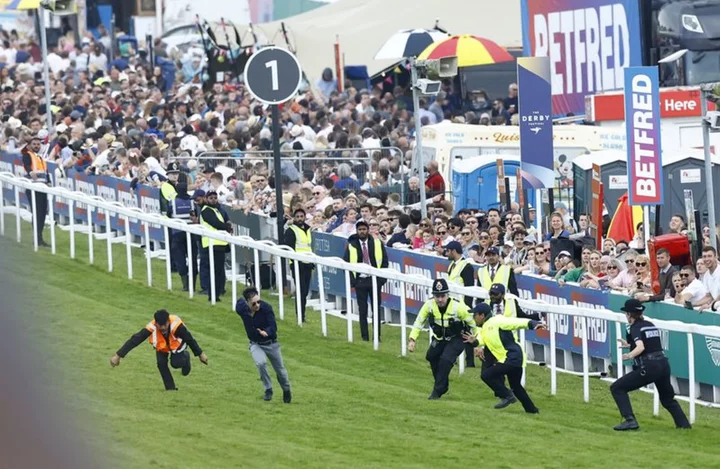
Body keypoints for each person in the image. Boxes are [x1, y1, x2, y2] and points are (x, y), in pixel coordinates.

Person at [610, 299, 691, 431]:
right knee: (667, 399)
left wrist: (629, 355)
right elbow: (650, 345)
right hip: (663, 364)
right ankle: (684, 426)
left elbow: (641, 348)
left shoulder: (635, 327)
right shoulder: (650, 324)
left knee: (617, 388)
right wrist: (630, 345)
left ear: (629, 314)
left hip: (650, 366)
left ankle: (630, 420)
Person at [463, 302, 545, 412]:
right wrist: (474, 342)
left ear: (482, 315)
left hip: (512, 357)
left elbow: (515, 322)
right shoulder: (484, 328)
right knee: (516, 387)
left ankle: (507, 396)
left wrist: (532, 323)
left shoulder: (497, 320)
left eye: (475, 315)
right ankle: (532, 410)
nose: (473, 318)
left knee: (486, 375)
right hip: (512, 358)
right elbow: (482, 340)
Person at [408, 278, 477, 400]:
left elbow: (473, 323)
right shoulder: (429, 305)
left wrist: (477, 341)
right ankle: (443, 385)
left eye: (442, 296)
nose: (440, 299)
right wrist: (412, 339)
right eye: (437, 296)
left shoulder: (458, 307)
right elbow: (419, 321)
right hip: (440, 338)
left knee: (445, 361)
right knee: (431, 356)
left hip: (457, 338)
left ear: (447, 295)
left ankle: (437, 391)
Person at [110, 309, 208, 390]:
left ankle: (186, 358)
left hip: (177, 345)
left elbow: (190, 339)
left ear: (168, 321)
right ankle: (170, 388)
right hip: (162, 346)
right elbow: (135, 340)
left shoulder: (177, 326)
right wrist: (118, 356)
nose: (163, 328)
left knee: (176, 364)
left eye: (165, 325)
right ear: (156, 323)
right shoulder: (151, 327)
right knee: (161, 364)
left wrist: (200, 354)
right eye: (160, 326)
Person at [235, 287, 292, 403]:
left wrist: (267, 332)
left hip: (271, 343)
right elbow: (239, 303)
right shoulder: (243, 309)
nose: (257, 305)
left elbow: (273, 326)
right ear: (247, 303)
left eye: (259, 301)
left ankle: (286, 390)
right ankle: (268, 389)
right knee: (261, 363)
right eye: (254, 303)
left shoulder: (266, 308)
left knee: (280, 371)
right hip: (256, 343)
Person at [343, 220, 388, 342]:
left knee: (376, 309)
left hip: (374, 280)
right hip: (360, 281)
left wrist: (381, 280)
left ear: (368, 230)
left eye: (364, 229)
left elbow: (384, 261)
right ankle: (365, 337)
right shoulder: (351, 245)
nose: (362, 232)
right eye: (360, 230)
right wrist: (353, 282)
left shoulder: (377, 243)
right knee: (362, 310)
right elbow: (345, 263)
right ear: (357, 231)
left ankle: (377, 336)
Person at [445, 240, 476, 368]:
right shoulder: (452, 265)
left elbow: (469, 288)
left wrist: (467, 307)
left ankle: (470, 362)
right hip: (453, 303)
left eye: (448, 251)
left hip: (462, 304)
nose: (446, 253)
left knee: (467, 332)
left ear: (453, 251)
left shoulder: (466, 266)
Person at [201, 190, 231, 302]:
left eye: (215, 197)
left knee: (219, 271)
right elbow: (216, 224)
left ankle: (217, 293)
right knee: (214, 271)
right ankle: (212, 295)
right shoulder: (206, 210)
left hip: (220, 244)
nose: (213, 199)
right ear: (206, 199)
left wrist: (227, 226)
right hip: (211, 244)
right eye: (211, 198)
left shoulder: (217, 210)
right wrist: (227, 227)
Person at [285, 208, 314, 322]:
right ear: (294, 218)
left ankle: (303, 315)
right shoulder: (291, 230)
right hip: (297, 264)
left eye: (302, 216)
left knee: (305, 291)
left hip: (308, 263)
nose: (300, 219)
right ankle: (300, 316)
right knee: (301, 291)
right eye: (297, 217)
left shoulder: (307, 230)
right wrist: (293, 263)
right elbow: (290, 249)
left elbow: (308, 246)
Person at [168, 182, 196, 291]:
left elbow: (168, 216)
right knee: (192, 259)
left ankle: (185, 285)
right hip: (191, 234)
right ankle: (192, 285)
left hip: (177, 234)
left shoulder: (173, 203)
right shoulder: (192, 202)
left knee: (180, 260)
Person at [22, 135, 49, 247]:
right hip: (33, 187)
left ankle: (40, 238)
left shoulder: (41, 158)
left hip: (43, 188)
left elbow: (45, 173)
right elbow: (27, 165)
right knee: (37, 212)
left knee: (42, 213)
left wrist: (49, 182)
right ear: (30, 146)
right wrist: (30, 172)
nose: (36, 146)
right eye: (34, 144)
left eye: (38, 144)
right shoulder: (28, 155)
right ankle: (37, 238)